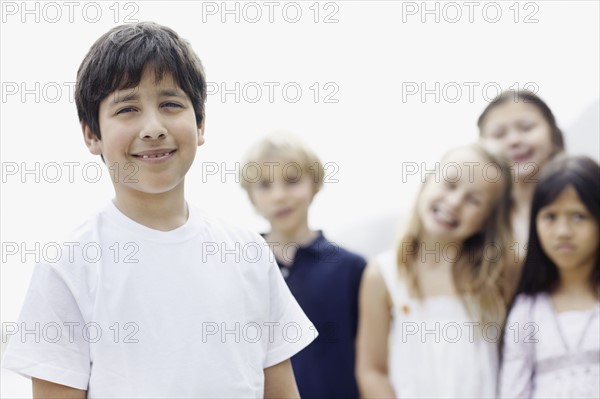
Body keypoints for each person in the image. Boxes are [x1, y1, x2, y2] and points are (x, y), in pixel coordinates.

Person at [2, 22, 316, 398]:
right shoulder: (68, 265)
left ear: (200, 123)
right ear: (91, 134)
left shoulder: (247, 252)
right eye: (127, 108)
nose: (152, 127)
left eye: (170, 104)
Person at [356, 143, 512, 398]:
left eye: (474, 200)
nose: (454, 202)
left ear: (488, 220)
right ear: (428, 180)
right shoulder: (383, 274)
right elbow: (372, 370)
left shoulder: (496, 274)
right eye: (449, 184)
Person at [240, 133, 366, 398]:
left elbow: (369, 360)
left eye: (292, 180)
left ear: (315, 182)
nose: (279, 195)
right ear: (251, 196)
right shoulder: (240, 267)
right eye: (264, 185)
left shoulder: (352, 269)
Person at [498, 155, 600, 399]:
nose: (563, 232)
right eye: (550, 217)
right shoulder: (527, 310)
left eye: (578, 216)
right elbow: (514, 390)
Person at [478, 90, 565, 278]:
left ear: (553, 136)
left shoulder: (590, 196)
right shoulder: (477, 217)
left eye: (526, 127)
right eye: (498, 134)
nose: (514, 141)